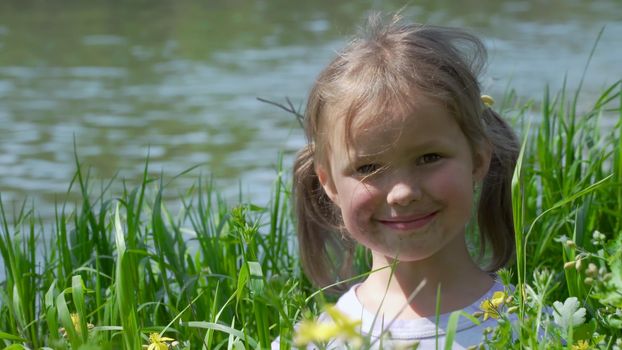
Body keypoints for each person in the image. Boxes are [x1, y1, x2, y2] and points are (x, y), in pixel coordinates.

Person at [275, 12, 519, 349]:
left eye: (429, 158)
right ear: (329, 183)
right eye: (368, 168)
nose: (402, 193)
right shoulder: (321, 340)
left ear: (478, 159)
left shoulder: (532, 326)